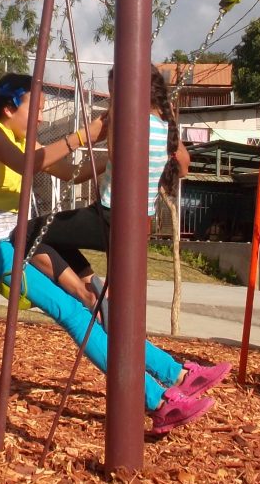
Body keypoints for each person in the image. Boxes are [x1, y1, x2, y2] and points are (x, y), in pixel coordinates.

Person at [0, 72, 226, 435]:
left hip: (20, 242)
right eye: (36, 109)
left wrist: (120, 158)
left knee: (92, 299)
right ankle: (157, 402)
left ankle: (178, 374)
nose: (41, 118)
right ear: (11, 106)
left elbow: (70, 174)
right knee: (75, 315)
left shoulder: (17, 139)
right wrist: (82, 136)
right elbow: (30, 165)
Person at [28, 66, 193, 320]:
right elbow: (183, 166)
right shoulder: (164, 126)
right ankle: (93, 286)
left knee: (27, 234)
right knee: (58, 241)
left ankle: (86, 294)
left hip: (109, 216)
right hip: (141, 222)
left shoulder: (126, 119)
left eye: (113, 93)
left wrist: (113, 116)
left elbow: (119, 156)